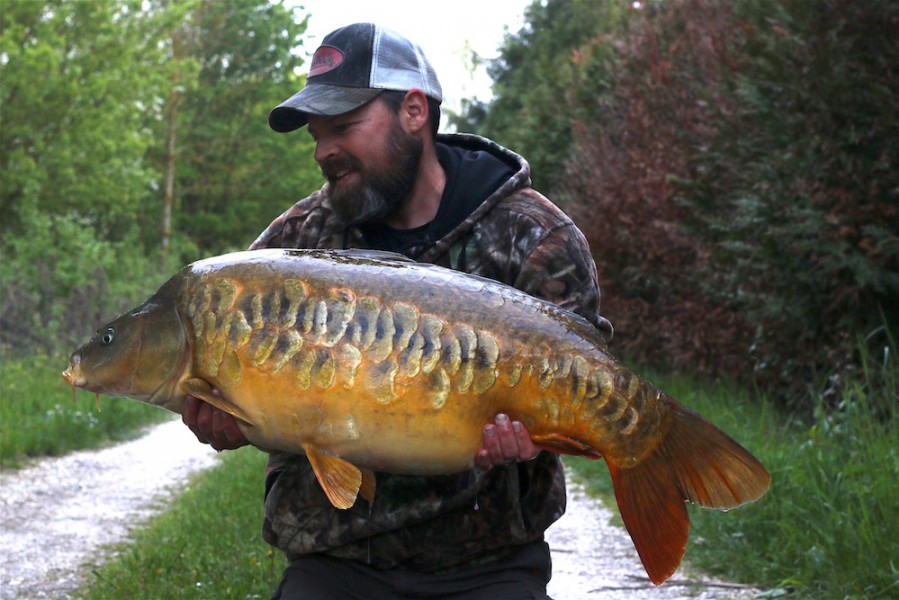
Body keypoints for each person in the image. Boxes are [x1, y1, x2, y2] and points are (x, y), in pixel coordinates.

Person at [182, 22, 613, 599]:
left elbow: (588, 373)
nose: (322, 151)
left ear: (414, 111)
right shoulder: (300, 239)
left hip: (490, 561)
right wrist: (223, 419)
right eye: (315, 135)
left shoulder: (533, 235)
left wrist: (541, 432)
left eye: (343, 127)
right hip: (334, 558)